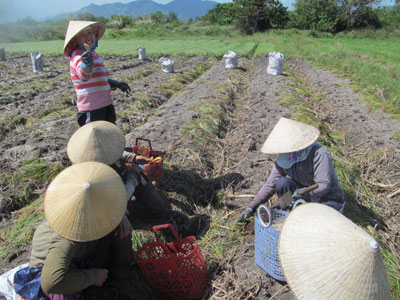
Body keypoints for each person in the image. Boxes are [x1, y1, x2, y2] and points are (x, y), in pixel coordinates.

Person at [13, 162, 145, 300]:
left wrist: (121, 215)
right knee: (65, 294)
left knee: (121, 231)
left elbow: (117, 200)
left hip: (83, 254)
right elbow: (52, 282)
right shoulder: (64, 240)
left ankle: (118, 280)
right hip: (61, 272)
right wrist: (93, 277)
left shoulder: (92, 204)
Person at [240, 117, 345, 221]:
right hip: (302, 195)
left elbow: (323, 184)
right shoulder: (284, 158)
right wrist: (251, 207)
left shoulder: (319, 154)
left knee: (319, 220)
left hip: (327, 197)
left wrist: (307, 193)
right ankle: (294, 209)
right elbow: (270, 184)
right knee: (282, 183)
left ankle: (302, 211)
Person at [66, 121, 167, 222]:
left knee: (154, 201)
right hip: (109, 206)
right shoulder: (89, 177)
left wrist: (134, 157)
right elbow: (116, 202)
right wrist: (133, 177)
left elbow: (116, 152)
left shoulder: (98, 150)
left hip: (120, 183)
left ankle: (151, 205)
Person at [63, 20, 131, 127]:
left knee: (109, 134)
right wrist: (87, 65)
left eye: (90, 32)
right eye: (82, 34)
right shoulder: (78, 57)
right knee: (96, 139)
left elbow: (99, 79)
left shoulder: (94, 55)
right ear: (75, 40)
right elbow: (84, 76)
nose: (88, 36)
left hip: (105, 105)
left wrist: (116, 84)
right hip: (92, 108)